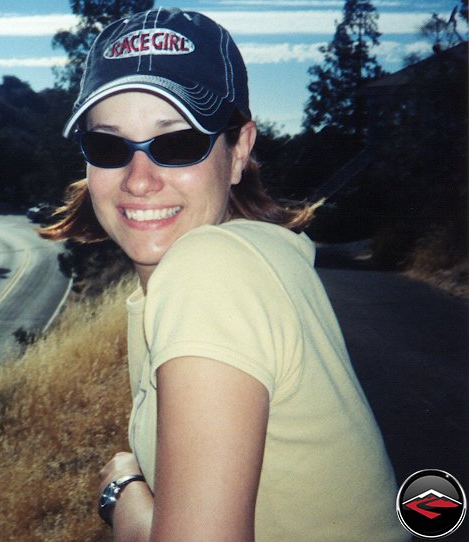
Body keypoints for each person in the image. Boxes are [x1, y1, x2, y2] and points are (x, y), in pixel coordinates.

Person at [41, 8, 409, 542]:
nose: (139, 180)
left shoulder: (211, 271)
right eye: (108, 145)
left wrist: (121, 495)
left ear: (238, 151)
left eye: (177, 143)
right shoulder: (263, 254)